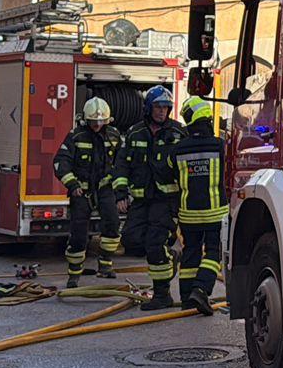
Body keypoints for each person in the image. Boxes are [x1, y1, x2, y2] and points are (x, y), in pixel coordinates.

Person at [119, 84, 184, 310]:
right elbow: (121, 166)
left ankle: (162, 294)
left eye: (165, 108)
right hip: (141, 200)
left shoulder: (178, 133)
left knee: (155, 244)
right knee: (131, 239)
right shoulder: (135, 133)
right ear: (148, 108)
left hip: (166, 201)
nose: (161, 112)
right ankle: (170, 256)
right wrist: (120, 194)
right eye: (157, 107)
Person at [53, 96, 125, 288]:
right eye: (94, 121)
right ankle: (74, 274)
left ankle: (106, 265)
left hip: (105, 189)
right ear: (86, 120)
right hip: (81, 191)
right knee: (78, 234)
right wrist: (73, 185)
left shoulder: (114, 136)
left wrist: (121, 192)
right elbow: (61, 162)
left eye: (101, 121)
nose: (97, 125)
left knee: (112, 225)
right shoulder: (76, 136)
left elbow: (121, 164)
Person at [172, 95, 227, 315]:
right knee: (214, 252)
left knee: (191, 253)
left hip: (188, 214)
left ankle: (187, 299)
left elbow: (171, 174)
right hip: (215, 213)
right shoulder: (220, 146)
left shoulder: (178, 149)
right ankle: (201, 289)